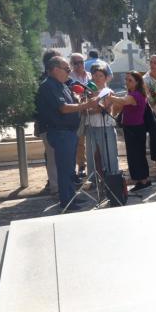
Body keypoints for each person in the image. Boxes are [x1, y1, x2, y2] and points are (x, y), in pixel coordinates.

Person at [35, 56, 98, 209]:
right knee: (64, 169)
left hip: (69, 132)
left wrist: (80, 100)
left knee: (70, 169)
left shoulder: (62, 84)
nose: (69, 72)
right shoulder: (49, 86)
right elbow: (63, 108)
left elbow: (71, 103)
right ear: (55, 69)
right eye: (67, 69)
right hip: (60, 132)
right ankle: (67, 202)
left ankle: (71, 198)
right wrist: (86, 105)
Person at [106, 72, 151, 191]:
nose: (127, 82)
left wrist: (109, 96)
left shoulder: (135, 95)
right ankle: (141, 179)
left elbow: (123, 101)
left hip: (135, 129)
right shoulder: (133, 93)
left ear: (137, 82)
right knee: (135, 155)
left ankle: (143, 180)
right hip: (133, 128)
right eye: (126, 80)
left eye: (130, 80)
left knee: (136, 156)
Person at [86, 63, 119, 178]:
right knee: (91, 156)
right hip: (91, 126)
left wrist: (91, 107)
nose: (97, 78)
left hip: (105, 126)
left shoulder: (108, 91)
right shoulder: (87, 91)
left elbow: (106, 109)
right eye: (95, 75)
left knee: (110, 154)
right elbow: (84, 110)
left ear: (105, 78)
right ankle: (93, 179)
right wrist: (91, 107)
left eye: (100, 76)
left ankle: (113, 177)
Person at [36, 49, 61, 196]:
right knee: (51, 157)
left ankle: (61, 184)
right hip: (50, 125)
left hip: (61, 126)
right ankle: (55, 186)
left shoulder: (62, 79)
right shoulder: (44, 82)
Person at [69, 53, 91, 178]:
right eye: (75, 63)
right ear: (72, 64)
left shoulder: (89, 76)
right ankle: (81, 166)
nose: (79, 65)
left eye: (81, 62)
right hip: (78, 112)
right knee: (80, 140)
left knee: (93, 139)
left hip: (92, 111)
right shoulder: (70, 77)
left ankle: (95, 164)